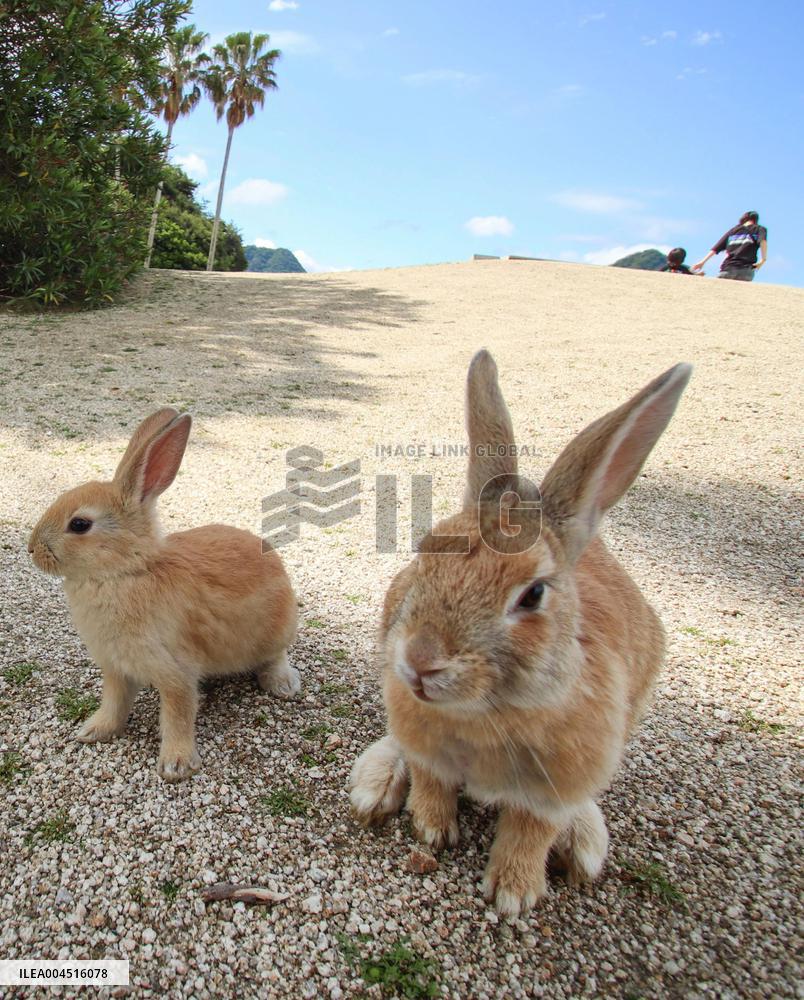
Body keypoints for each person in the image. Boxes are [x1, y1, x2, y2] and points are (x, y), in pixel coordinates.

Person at [692, 211, 767, 280]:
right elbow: (763, 241)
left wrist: (702, 262)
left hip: (728, 268)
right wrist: (763, 260)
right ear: (756, 220)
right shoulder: (760, 229)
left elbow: (716, 248)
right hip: (746, 270)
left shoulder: (733, 231)